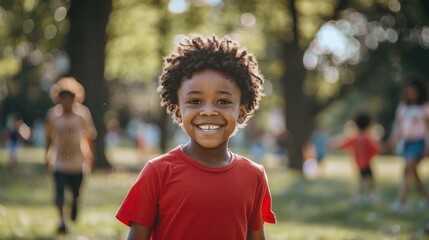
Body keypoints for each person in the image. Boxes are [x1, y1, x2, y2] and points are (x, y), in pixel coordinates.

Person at [116, 35, 277, 240]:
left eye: (223, 101)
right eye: (195, 101)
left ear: (242, 111)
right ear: (177, 110)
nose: (208, 111)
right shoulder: (157, 172)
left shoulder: (255, 176)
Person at [45, 77, 96, 234]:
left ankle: (74, 205)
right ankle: (62, 221)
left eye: (69, 98)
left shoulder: (82, 114)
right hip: (59, 162)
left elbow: (89, 136)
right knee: (59, 195)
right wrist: (46, 157)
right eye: (63, 98)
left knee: (75, 193)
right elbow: (49, 138)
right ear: (58, 99)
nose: (66, 102)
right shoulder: (53, 116)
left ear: (75, 98)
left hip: (77, 162)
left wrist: (90, 155)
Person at [388, 74, 429, 211]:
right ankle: (426, 199)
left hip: (420, 142)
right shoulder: (402, 108)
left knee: (407, 168)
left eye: (413, 90)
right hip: (407, 143)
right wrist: (392, 142)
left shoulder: (424, 108)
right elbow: (399, 128)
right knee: (413, 171)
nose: (410, 93)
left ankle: (401, 202)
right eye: (408, 90)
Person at [331, 111, 380, 203]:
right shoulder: (367, 138)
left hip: (358, 163)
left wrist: (333, 145)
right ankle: (366, 194)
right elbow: (376, 149)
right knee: (369, 178)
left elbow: (344, 143)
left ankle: (363, 195)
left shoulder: (355, 137)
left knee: (364, 178)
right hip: (366, 162)